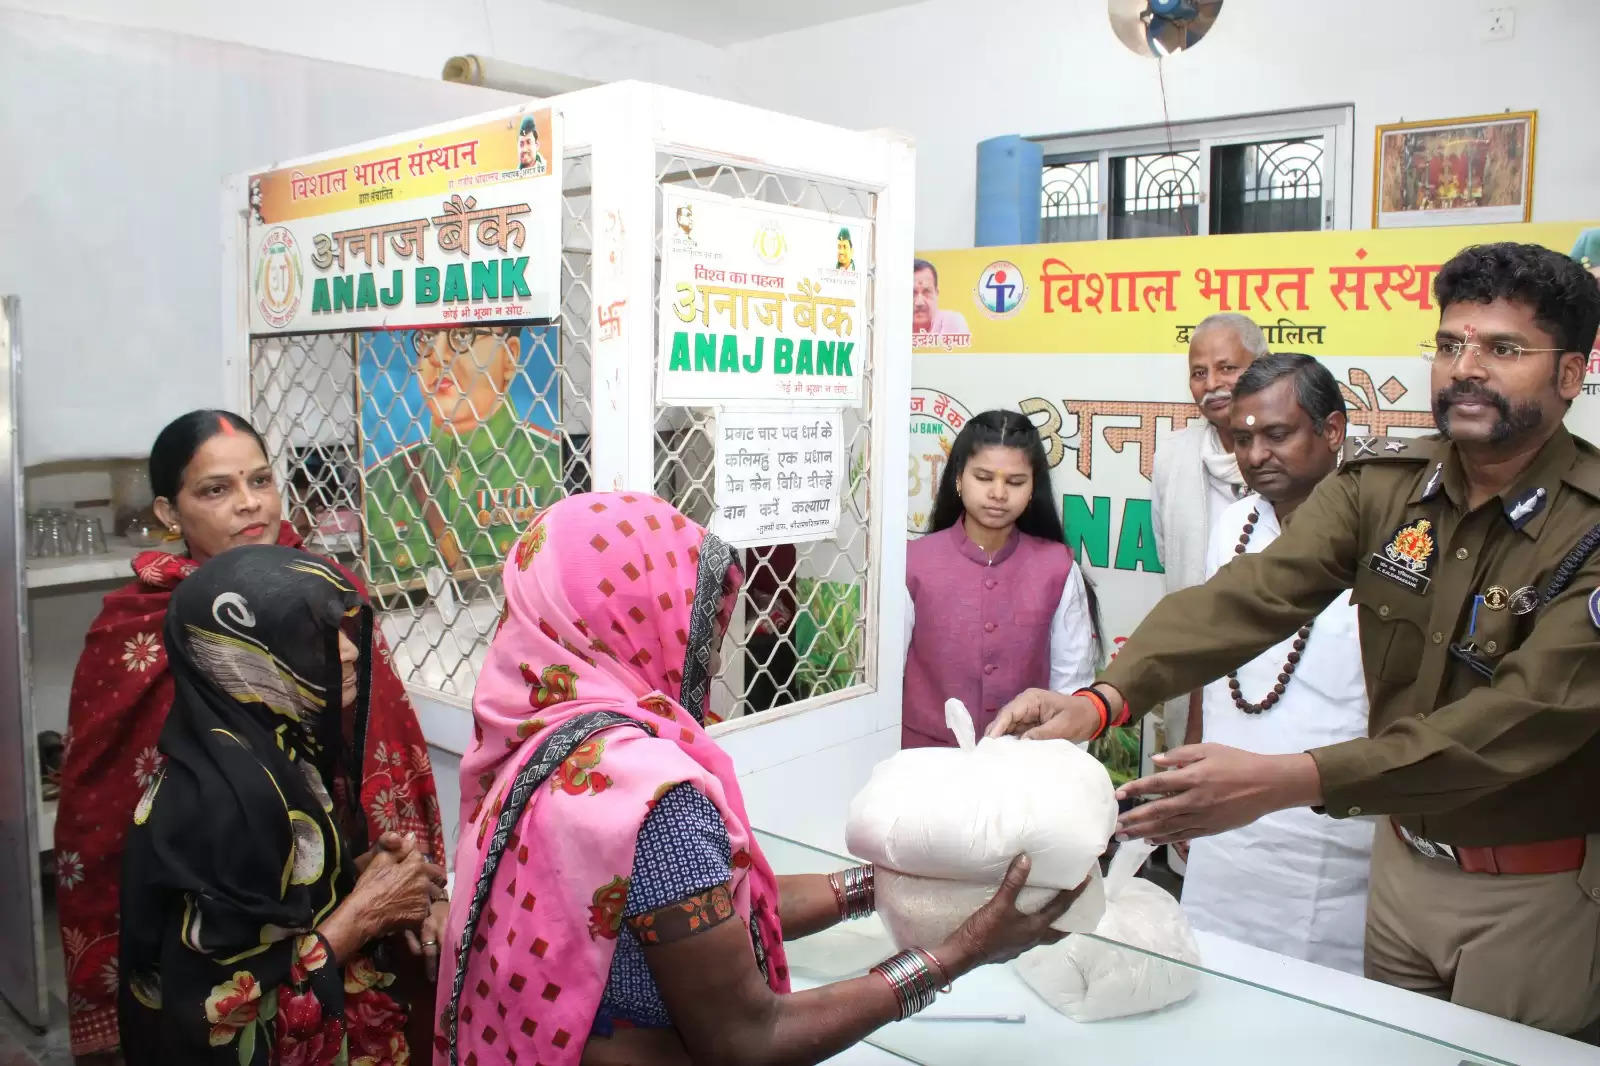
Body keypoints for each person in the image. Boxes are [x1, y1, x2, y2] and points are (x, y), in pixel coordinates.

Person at [989, 242, 1600, 1036]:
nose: (1466, 368)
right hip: (1399, 866)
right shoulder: (1388, 491)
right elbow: (1248, 597)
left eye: (1503, 348)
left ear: (1570, 373)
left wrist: (1291, 779)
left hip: (1528, 889)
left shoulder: (1587, 527)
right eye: (1451, 345)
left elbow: (1514, 719)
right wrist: (1103, 699)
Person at [437, 492, 1085, 1066]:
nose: (716, 657)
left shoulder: (530, 741)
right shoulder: (652, 800)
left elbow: (715, 902)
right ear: (633, 619)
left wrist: (887, 885)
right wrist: (959, 953)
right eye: (701, 628)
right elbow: (749, 1040)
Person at [55, 410, 445, 1064]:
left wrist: (394, 876)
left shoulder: (322, 593)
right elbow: (103, 812)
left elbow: (381, 745)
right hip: (212, 896)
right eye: (215, 490)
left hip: (332, 872)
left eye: (260, 480)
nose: (249, 504)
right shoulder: (140, 627)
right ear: (168, 512)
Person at [119, 545, 447, 1064]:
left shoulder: (266, 751)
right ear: (237, 657)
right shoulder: (225, 802)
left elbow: (266, 903)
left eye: (342, 630)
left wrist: (357, 874)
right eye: (311, 634)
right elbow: (215, 1015)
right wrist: (363, 915)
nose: (349, 652)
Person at [1179, 353, 1374, 975]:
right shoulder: (1233, 525)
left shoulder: (1388, 537)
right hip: (1225, 833)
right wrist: (1185, 777)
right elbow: (1206, 658)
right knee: (1210, 988)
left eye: (1278, 434)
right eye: (1243, 438)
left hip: (1329, 833)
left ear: (1333, 432)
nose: (1258, 453)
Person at [902, 410, 1099, 747]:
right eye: (983, 477)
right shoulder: (911, 562)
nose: (998, 493)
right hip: (923, 766)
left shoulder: (1058, 568)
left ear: (1033, 487)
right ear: (958, 478)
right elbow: (888, 678)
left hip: (1025, 767)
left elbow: (1072, 684)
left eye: (1015, 482)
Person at [1150, 314, 1267, 766]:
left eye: (1227, 368)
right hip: (1195, 667)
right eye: (1199, 373)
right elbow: (1169, 555)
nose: (1212, 384)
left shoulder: (1297, 455)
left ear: (1261, 365)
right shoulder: (1173, 455)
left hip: (1277, 666)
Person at [364, 326, 562, 582]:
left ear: (509, 357)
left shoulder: (553, 466)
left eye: (462, 337)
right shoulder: (379, 486)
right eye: (425, 339)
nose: (436, 355)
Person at [912, 258, 969, 338]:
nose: (919, 302)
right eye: (912, 294)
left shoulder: (953, 322)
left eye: (926, 292)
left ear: (936, 294)